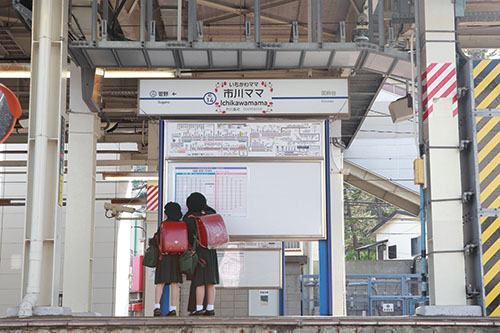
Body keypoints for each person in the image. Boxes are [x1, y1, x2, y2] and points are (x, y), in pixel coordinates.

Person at [183, 192, 220, 316]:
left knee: (199, 281)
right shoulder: (211, 214)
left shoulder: (190, 218)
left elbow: (187, 236)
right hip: (211, 251)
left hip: (199, 252)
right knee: (210, 281)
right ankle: (210, 308)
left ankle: (198, 308)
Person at [150, 202, 183, 317]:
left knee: (161, 282)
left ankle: (157, 307)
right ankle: (173, 309)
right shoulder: (181, 225)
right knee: (174, 283)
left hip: (163, 257)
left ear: (167, 213)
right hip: (176, 257)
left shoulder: (164, 225)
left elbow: (155, 240)